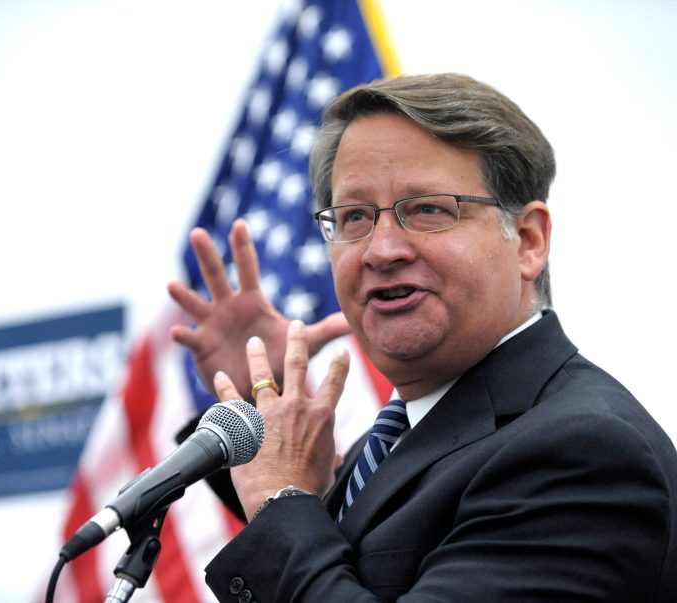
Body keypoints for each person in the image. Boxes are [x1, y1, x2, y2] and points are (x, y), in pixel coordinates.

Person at [167, 73, 677, 601]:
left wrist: (281, 499)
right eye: (355, 217)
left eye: (428, 209)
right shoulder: (400, 437)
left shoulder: (584, 452)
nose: (381, 250)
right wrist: (257, 402)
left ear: (527, 241)